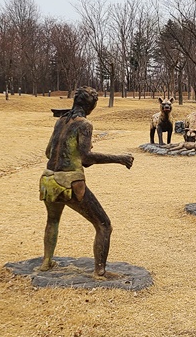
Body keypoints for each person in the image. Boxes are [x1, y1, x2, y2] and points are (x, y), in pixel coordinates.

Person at [39, 87, 134, 276]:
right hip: (70, 182)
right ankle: (100, 271)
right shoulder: (84, 125)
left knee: (53, 220)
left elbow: (49, 152)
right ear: (91, 106)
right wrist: (119, 159)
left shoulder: (61, 121)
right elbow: (86, 158)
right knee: (104, 225)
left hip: (48, 179)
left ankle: (46, 262)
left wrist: (73, 154)